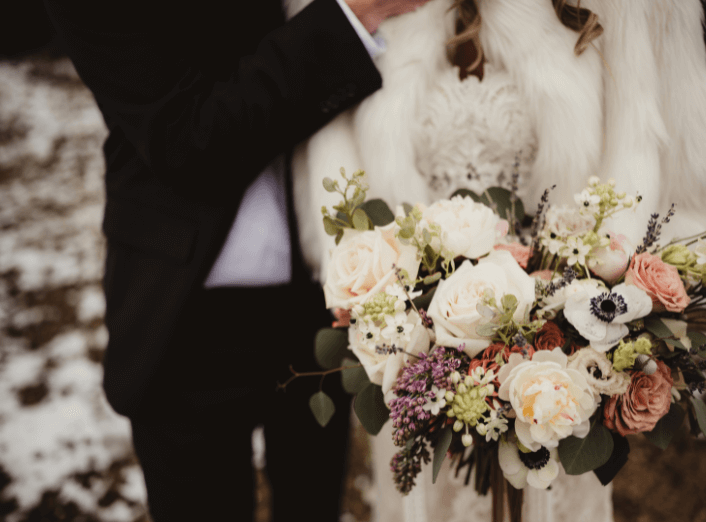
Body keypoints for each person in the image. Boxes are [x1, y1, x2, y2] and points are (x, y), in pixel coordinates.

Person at [291, 0, 706, 520]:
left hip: (567, 374)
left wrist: (599, 332)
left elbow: (681, 174)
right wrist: (387, 317)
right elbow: (329, 152)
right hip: (414, 368)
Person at [43, 0, 433, 520]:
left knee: (315, 506)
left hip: (314, 304)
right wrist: (346, 18)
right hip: (182, 318)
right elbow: (189, 138)